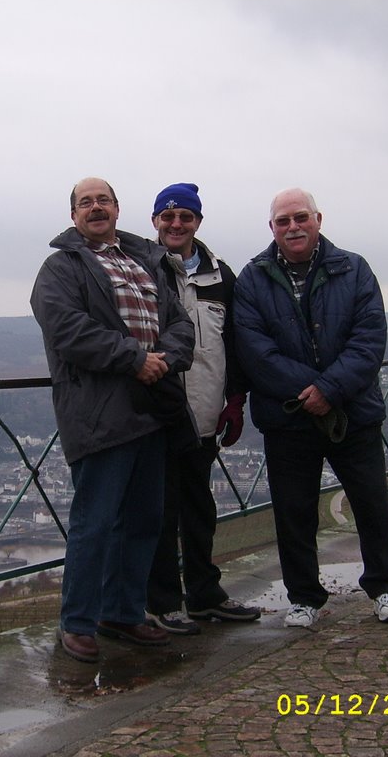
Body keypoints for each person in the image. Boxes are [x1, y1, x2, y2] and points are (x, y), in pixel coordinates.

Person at [30, 177, 195, 662]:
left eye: (103, 200)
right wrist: (133, 358)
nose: (96, 208)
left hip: (152, 407)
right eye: (86, 203)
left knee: (143, 520)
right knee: (95, 522)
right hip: (100, 410)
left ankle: (123, 612)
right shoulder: (60, 267)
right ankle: (78, 621)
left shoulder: (145, 261)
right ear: (74, 215)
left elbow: (180, 321)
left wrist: (165, 357)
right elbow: (66, 328)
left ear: (118, 209)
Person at [233, 187, 388, 628]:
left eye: (300, 218)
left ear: (318, 219)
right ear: (271, 228)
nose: (292, 227)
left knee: (372, 503)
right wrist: (312, 391)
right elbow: (254, 350)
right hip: (289, 417)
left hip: (352, 411)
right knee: (294, 512)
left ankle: (385, 588)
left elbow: (369, 340)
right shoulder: (252, 277)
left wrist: (329, 389)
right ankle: (303, 597)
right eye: (282, 221)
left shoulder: (355, 268)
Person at [144, 183, 260, 635]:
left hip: (207, 410)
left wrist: (235, 398)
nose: (176, 225)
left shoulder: (221, 276)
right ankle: (162, 601)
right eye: (167, 216)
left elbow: (233, 342)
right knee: (161, 509)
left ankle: (205, 595)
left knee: (199, 506)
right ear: (155, 221)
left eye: (185, 217)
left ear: (198, 222)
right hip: (156, 410)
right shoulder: (139, 268)